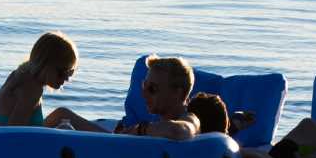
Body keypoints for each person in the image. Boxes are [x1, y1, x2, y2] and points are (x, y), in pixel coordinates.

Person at [45, 55, 200, 141]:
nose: (144, 94)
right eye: (143, 86)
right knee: (61, 115)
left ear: (177, 93)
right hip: (120, 141)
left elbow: (179, 131)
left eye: (152, 89)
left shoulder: (189, 118)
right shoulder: (158, 122)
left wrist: (140, 130)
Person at [0, 32, 78, 127]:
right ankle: (92, 137)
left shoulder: (20, 75)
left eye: (69, 72)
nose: (66, 78)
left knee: (61, 115)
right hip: (0, 141)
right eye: (62, 72)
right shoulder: (32, 88)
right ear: (45, 64)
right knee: (65, 119)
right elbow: (14, 132)